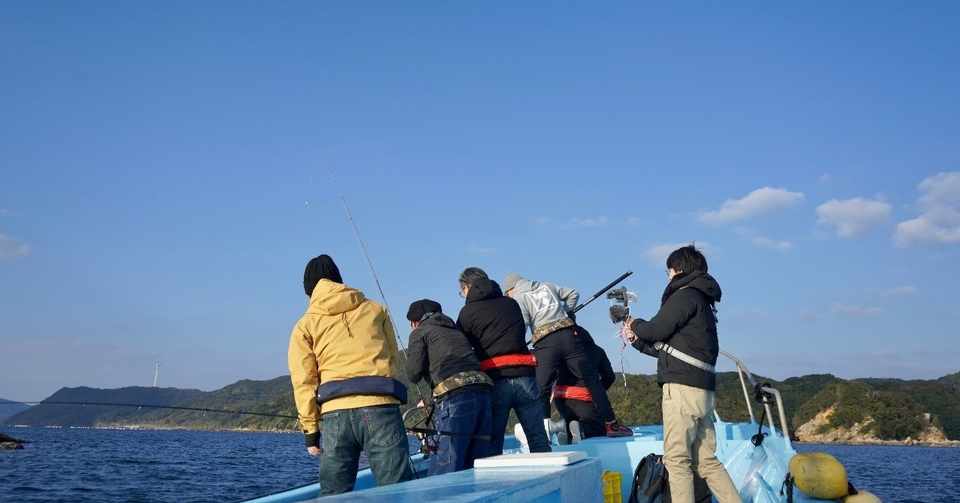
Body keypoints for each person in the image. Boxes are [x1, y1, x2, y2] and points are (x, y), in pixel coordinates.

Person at [620, 245, 740, 503]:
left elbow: (654, 330)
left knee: (676, 460)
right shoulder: (703, 302)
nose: (668, 277)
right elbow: (668, 350)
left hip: (682, 390)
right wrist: (636, 341)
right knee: (706, 461)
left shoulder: (684, 295)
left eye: (668, 272)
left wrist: (634, 324)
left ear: (678, 270)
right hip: (702, 390)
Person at [288, 254, 413, 496]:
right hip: (380, 408)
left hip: (335, 414)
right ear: (339, 279)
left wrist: (311, 432)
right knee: (397, 491)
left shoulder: (304, 325)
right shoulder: (376, 309)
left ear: (309, 290)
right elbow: (392, 358)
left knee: (333, 495)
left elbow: (303, 381)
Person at [502, 273, 633, 437]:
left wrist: (519, 341)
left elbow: (523, 323)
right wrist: (565, 311)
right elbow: (573, 294)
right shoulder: (547, 285)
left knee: (542, 387)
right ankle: (611, 424)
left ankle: (544, 430)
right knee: (592, 381)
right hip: (569, 335)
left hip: (546, 341)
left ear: (511, 289)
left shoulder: (519, 297)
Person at [455, 267, 551, 454]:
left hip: (495, 380)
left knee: (492, 442)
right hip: (525, 375)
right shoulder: (511, 303)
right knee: (538, 438)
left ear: (467, 287)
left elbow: (462, 346)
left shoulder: (467, 313)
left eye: (462, 291)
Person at [405, 299, 494, 475]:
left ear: (415, 322)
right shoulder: (455, 330)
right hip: (484, 391)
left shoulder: (420, 332)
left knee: (446, 465)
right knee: (477, 463)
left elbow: (413, 373)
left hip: (455, 397)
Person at [552, 327, 617, 440]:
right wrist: (597, 393)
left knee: (571, 422)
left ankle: (564, 429)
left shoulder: (558, 349)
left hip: (560, 399)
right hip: (584, 399)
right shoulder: (597, 351)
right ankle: (580, 430)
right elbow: (609, 376)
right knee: (597, 429)